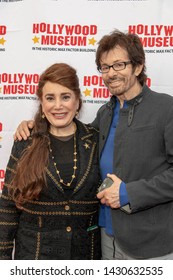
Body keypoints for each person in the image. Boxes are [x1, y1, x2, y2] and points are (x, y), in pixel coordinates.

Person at [13, 29, 173, 260]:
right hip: (105, 239)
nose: (111, 73)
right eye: (105, 67)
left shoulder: (165, 109)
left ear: (138, 67)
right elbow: (71, 130)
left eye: (119, 65)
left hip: (150, 245)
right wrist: (35, 125)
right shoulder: (105, 113)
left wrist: (130, 193)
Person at [0, 63, 101, 260]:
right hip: (35, 258)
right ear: (42, 104)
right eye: (50, 98)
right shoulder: (26, 141)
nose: (58, 105)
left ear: (77, 101)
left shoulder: (96, 138)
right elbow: (8, 206)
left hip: (85, 257)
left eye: (65, 97)